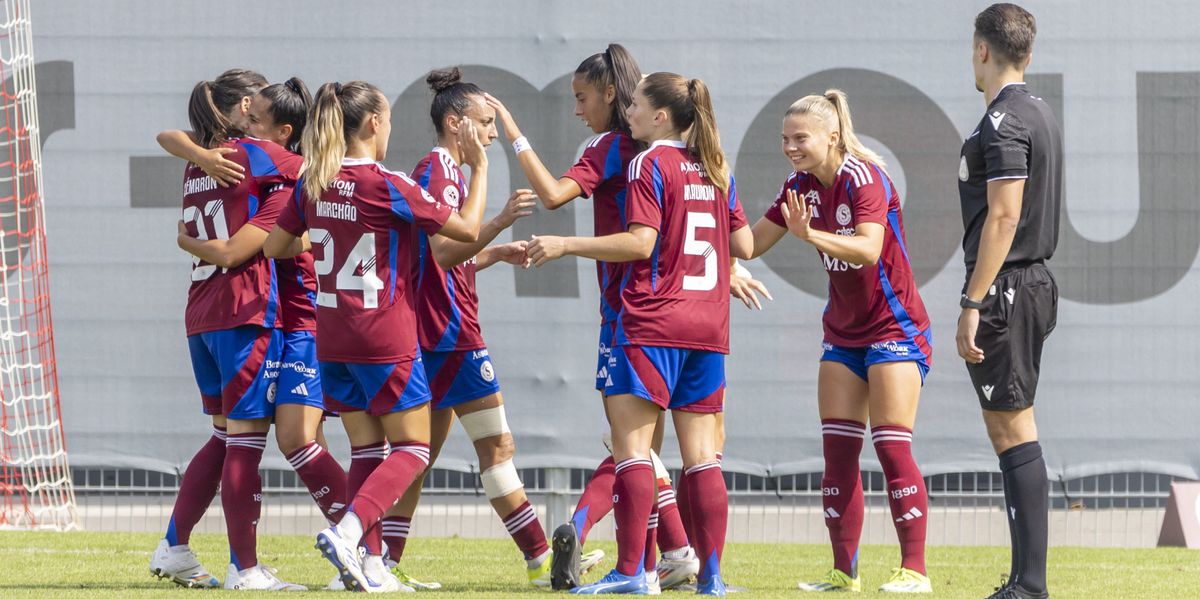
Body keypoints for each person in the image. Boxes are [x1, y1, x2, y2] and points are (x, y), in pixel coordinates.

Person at [527, 72, 753, 596]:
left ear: (661, 117)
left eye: (637, 104)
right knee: (702, 458)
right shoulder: (717, 169)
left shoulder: (647, 162)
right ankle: (712, 579)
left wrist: (566, 244)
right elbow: (742, 243)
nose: (628, 110)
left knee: (632, 449)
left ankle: (632, 573)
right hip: (709, 325)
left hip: (652, 322)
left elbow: (640, 244)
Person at [487, 44, 699, 592]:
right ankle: (679, 554)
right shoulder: (675, 153)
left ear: (610, 93)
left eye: (582, 98)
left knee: (629, 445)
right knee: (650, 449)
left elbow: (555, 195)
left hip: (634, 311)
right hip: (690, 311)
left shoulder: (615, 146)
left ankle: (627, 558)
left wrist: (515, 131)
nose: (578, 110)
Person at [263, 80, 487, 592]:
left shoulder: (314, 181)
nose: (389, 128)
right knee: (413, 448)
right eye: (386, 119)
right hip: (383, 335)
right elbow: (467, 230)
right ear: (371, 124)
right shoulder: (386, 182)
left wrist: (330, 238)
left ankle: (370, 565)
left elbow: (278, 245)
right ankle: (348, 532)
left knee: (368, 449)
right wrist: (482, 167)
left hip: (331, 337)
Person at [746, 89, 934, 593]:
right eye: (785, 139)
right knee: (838, 454)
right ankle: (843, 572)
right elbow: (748, 243)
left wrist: (810, 237)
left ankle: (914, 570)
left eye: (800, 138)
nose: (790, 147)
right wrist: (709, 191)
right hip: (844, 333)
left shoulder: (863, 176)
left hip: (895, 329)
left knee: (892, 448)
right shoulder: (798, 185)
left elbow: (869, 250)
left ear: (832, 136)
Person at [373, 67, 551, 588]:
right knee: (495, 449)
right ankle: (541, 560)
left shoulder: (443, 171)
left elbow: (443, 260)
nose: (493, 133)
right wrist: (495, 222)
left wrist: (493, 252)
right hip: (451, 336)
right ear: (457, 124)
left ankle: (382, 561)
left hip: (441, 333)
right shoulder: (442, 170)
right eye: (486, 122)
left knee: (416, 456)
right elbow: (446, 250)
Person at [160, 78, 350, 527]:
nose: (247, 121)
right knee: (280, 440)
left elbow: (238, 249)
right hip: (261, 318)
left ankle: (368, 546)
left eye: (257, 117)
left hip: (301, 322)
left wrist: (186, 239)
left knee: (288, 440)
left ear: (281, 129)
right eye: (247, 112)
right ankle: (362, 546)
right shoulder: (251, 165)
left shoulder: (242, 167)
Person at [149, 69, 307, 591]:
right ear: (246, 107)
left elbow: (168, 137)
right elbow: (317, 171)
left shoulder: (199, 162)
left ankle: (174, 544)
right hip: (243, 310)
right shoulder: (259, 156)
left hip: (201, 315)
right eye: (261, 102)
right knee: (245, 441)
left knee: (223, 436)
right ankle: (246, 567)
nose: (266, 110)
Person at [957, 5, 1061, 598]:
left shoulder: (1003, 119)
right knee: (1011, 429)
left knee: (1013, 430)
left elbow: (1004, 214)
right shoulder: (1039, 111)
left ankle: (1028, 586)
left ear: (982, 50)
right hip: (1030, 281)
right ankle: (1025, 581)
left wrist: (973, 301)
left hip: (1008, 287)